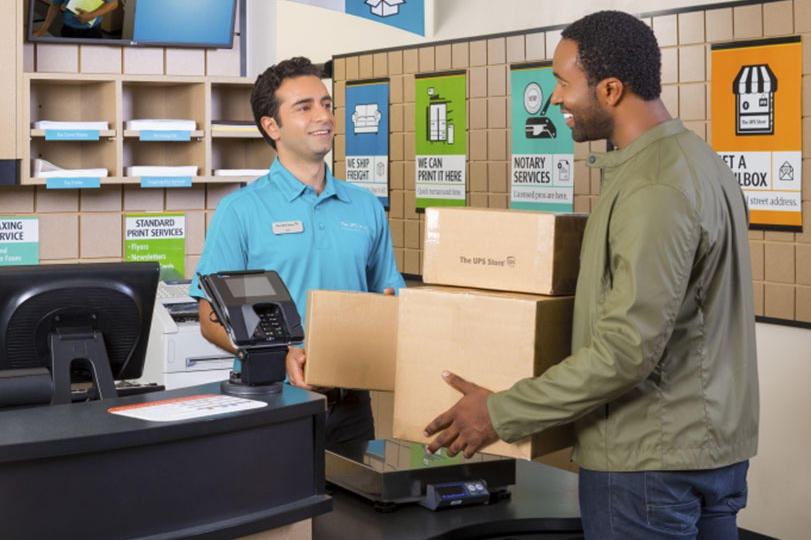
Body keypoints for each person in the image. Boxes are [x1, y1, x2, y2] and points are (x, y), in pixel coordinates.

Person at [424, 11, 758, 540]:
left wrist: (500, 411)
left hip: (647, 466)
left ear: (610, 89)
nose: (555, 99)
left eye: (563, 82)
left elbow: (627, 351)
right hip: (708, 456)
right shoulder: (700, 162)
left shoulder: (653, 188)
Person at [190, 57, 405, 446]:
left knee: (355, 507)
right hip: (272, 398)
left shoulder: (365, 206)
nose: (323, 116)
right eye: (304, 107)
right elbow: (209, 317)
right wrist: (278, 355)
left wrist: (390, 315)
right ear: (272, 126)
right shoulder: (240, 211)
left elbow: (389, 294)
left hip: (353, 405)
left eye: (326, 104)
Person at [33, 0, 119, 39]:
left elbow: (114, 3)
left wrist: (92, 15)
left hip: (93, 32)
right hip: (69, 31)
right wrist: (42, 31)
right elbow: (54, 6)